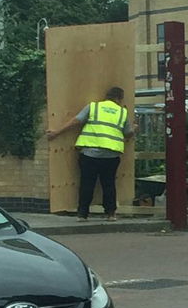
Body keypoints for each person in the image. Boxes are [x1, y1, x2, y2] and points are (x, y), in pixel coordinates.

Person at [45, 86, 135, 221]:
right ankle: (110, 214)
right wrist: (135, 129)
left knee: (87, 184)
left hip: (89, 154)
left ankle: (82, 214)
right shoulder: (122, 113)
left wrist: (56, 133)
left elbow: (76, 121)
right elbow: (128, 133)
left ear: (107, 96)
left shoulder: (94, 107)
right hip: (111, 155)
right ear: (119, 99)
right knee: (109, 185)